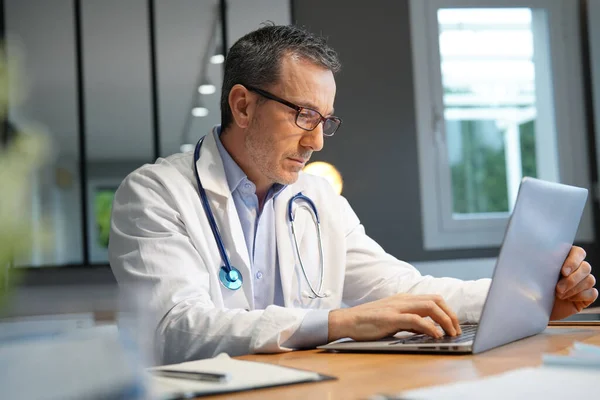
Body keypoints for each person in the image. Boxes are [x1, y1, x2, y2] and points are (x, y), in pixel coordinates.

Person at [109, 24, 597, 364]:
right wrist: (338, 322)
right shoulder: (154, 194)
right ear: (242, 105)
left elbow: (405, 292)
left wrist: (527, 296)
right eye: (303, 115)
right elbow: (175, 330)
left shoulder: (318, 198)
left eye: (326, 121)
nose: (316, 141)